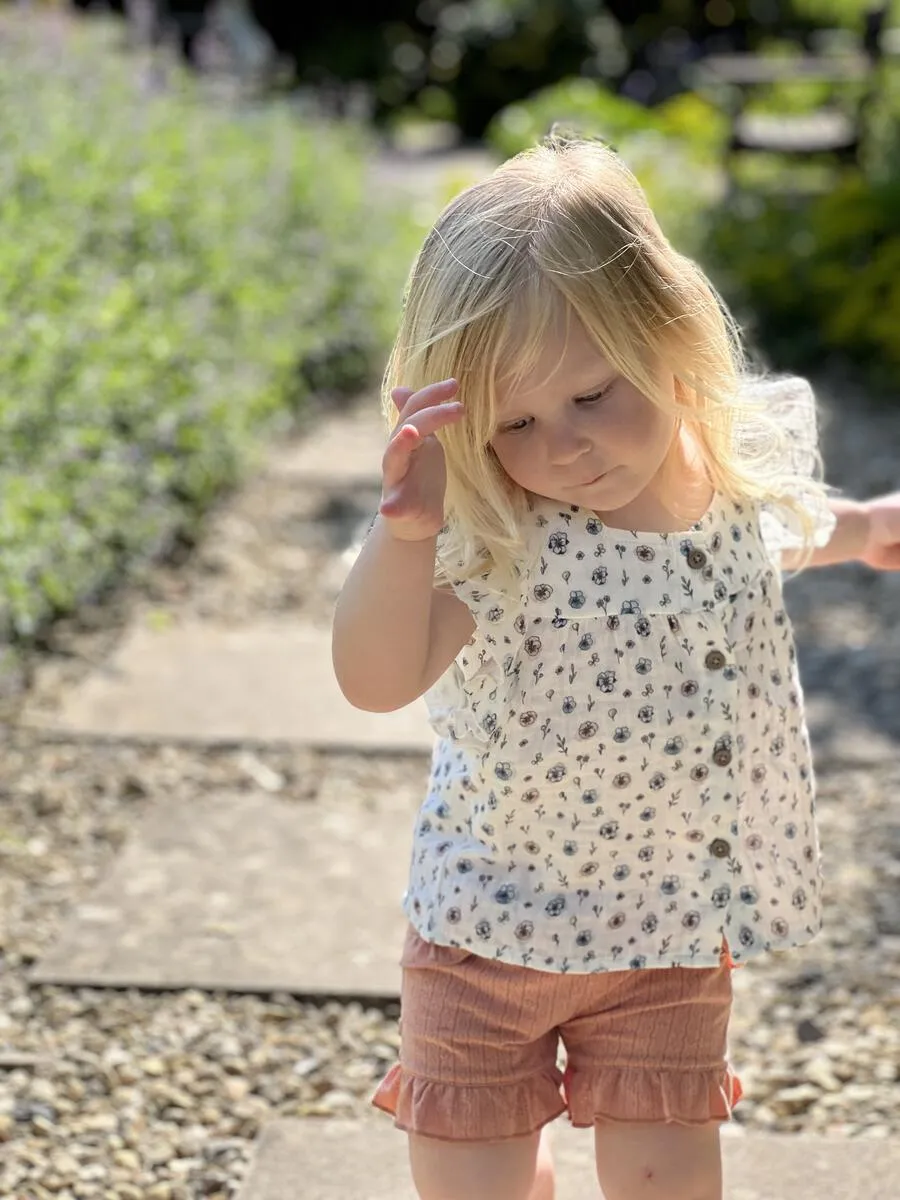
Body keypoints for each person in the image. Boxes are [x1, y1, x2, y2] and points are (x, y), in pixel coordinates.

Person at [331, 132, 900, 1200]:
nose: (564, 447)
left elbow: (786, 534)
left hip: (666, 940)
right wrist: (404, 536)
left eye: (593, 395)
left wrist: (866, 527)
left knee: (671, 1185)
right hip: (485, 939)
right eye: (516, 422)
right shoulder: (498, 538)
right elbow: (371, 679)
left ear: (666, 337)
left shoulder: (724, 507)